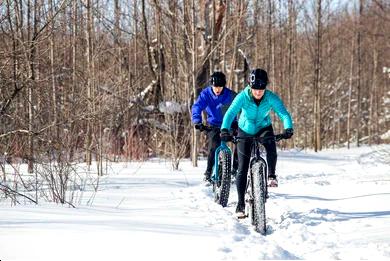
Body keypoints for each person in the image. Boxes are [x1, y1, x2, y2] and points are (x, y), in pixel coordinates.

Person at [219, 68, 293, 217]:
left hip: (263, 127)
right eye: (255, 89)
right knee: (242, 168)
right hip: (244, 129)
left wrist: (288, 128)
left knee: (271, 145)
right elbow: (230, 113)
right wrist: (224, 129)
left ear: (265, 86)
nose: (258, 92)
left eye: (261, 89)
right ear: (250, 86)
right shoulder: (242, 96)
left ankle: (271, 175)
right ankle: (240, 204)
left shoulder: (271, 97)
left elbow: (283, 113)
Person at [191, 71, 238, 184]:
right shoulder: (206, 94)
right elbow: (197, 106)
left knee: (240, 141)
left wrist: (240, 122)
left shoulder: (231, 95)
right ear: (211, 85)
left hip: (230, 124)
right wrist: (197, 121)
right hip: (214, 125)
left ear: (224, 86)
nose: (217, 90)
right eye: (215, 87)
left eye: (220, 87)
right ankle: (208, 173)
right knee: (214, 146)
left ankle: (235, 170)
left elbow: (241, 108)